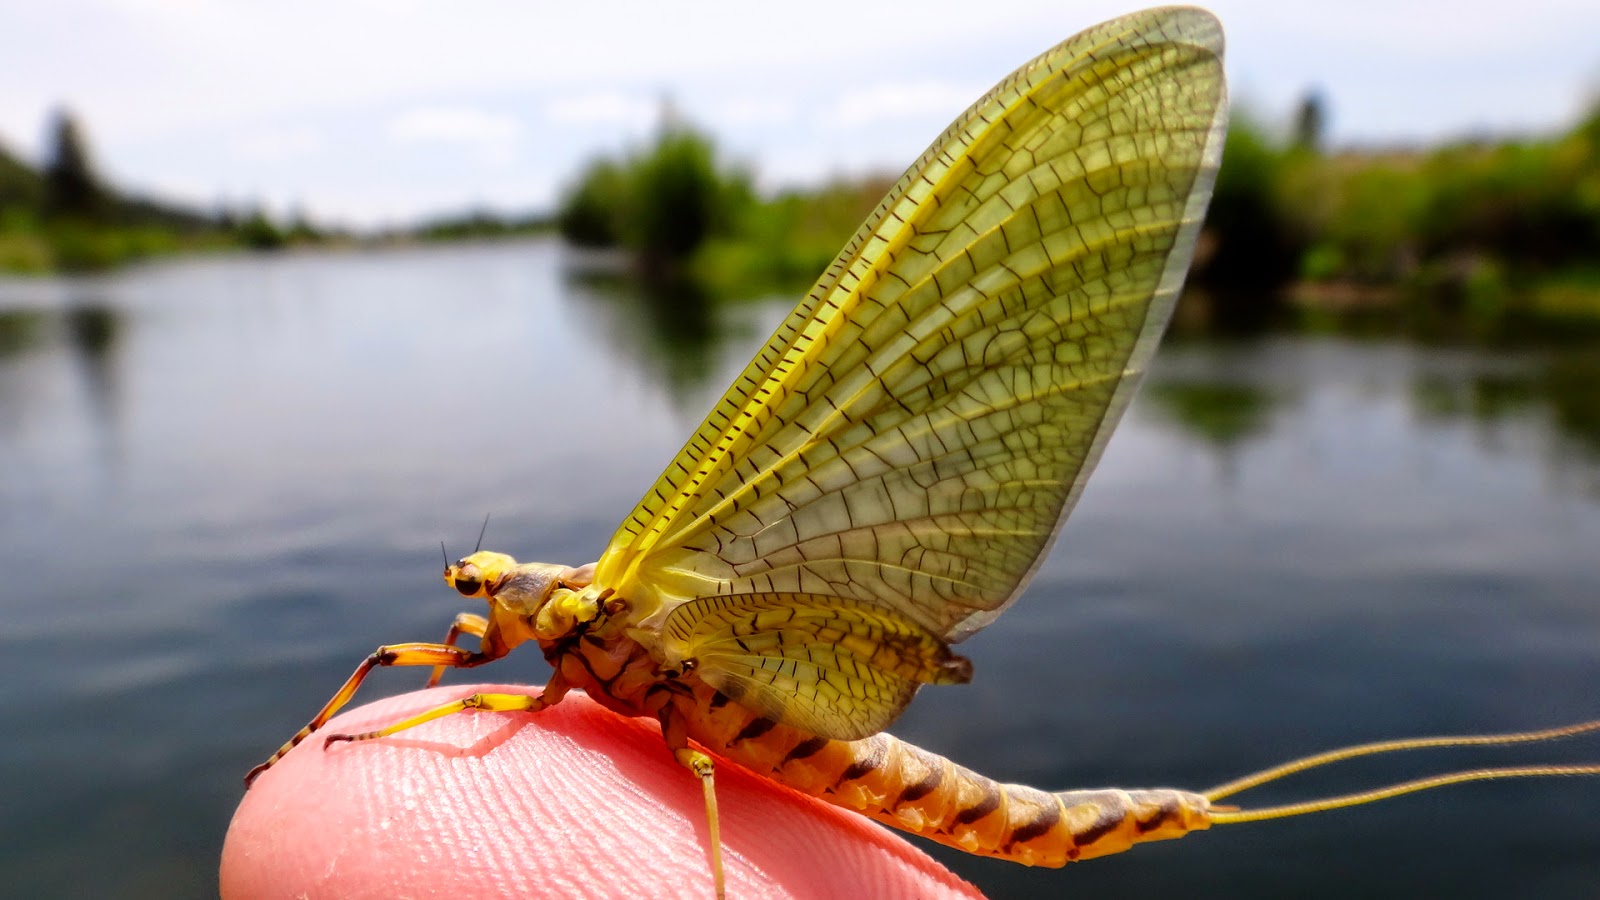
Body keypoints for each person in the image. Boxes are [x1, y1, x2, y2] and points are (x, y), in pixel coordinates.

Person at [221, 683, 982, 898]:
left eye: (483, 592)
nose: (478, 611)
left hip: (850, 756)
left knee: (705, 770)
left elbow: (473, 698)